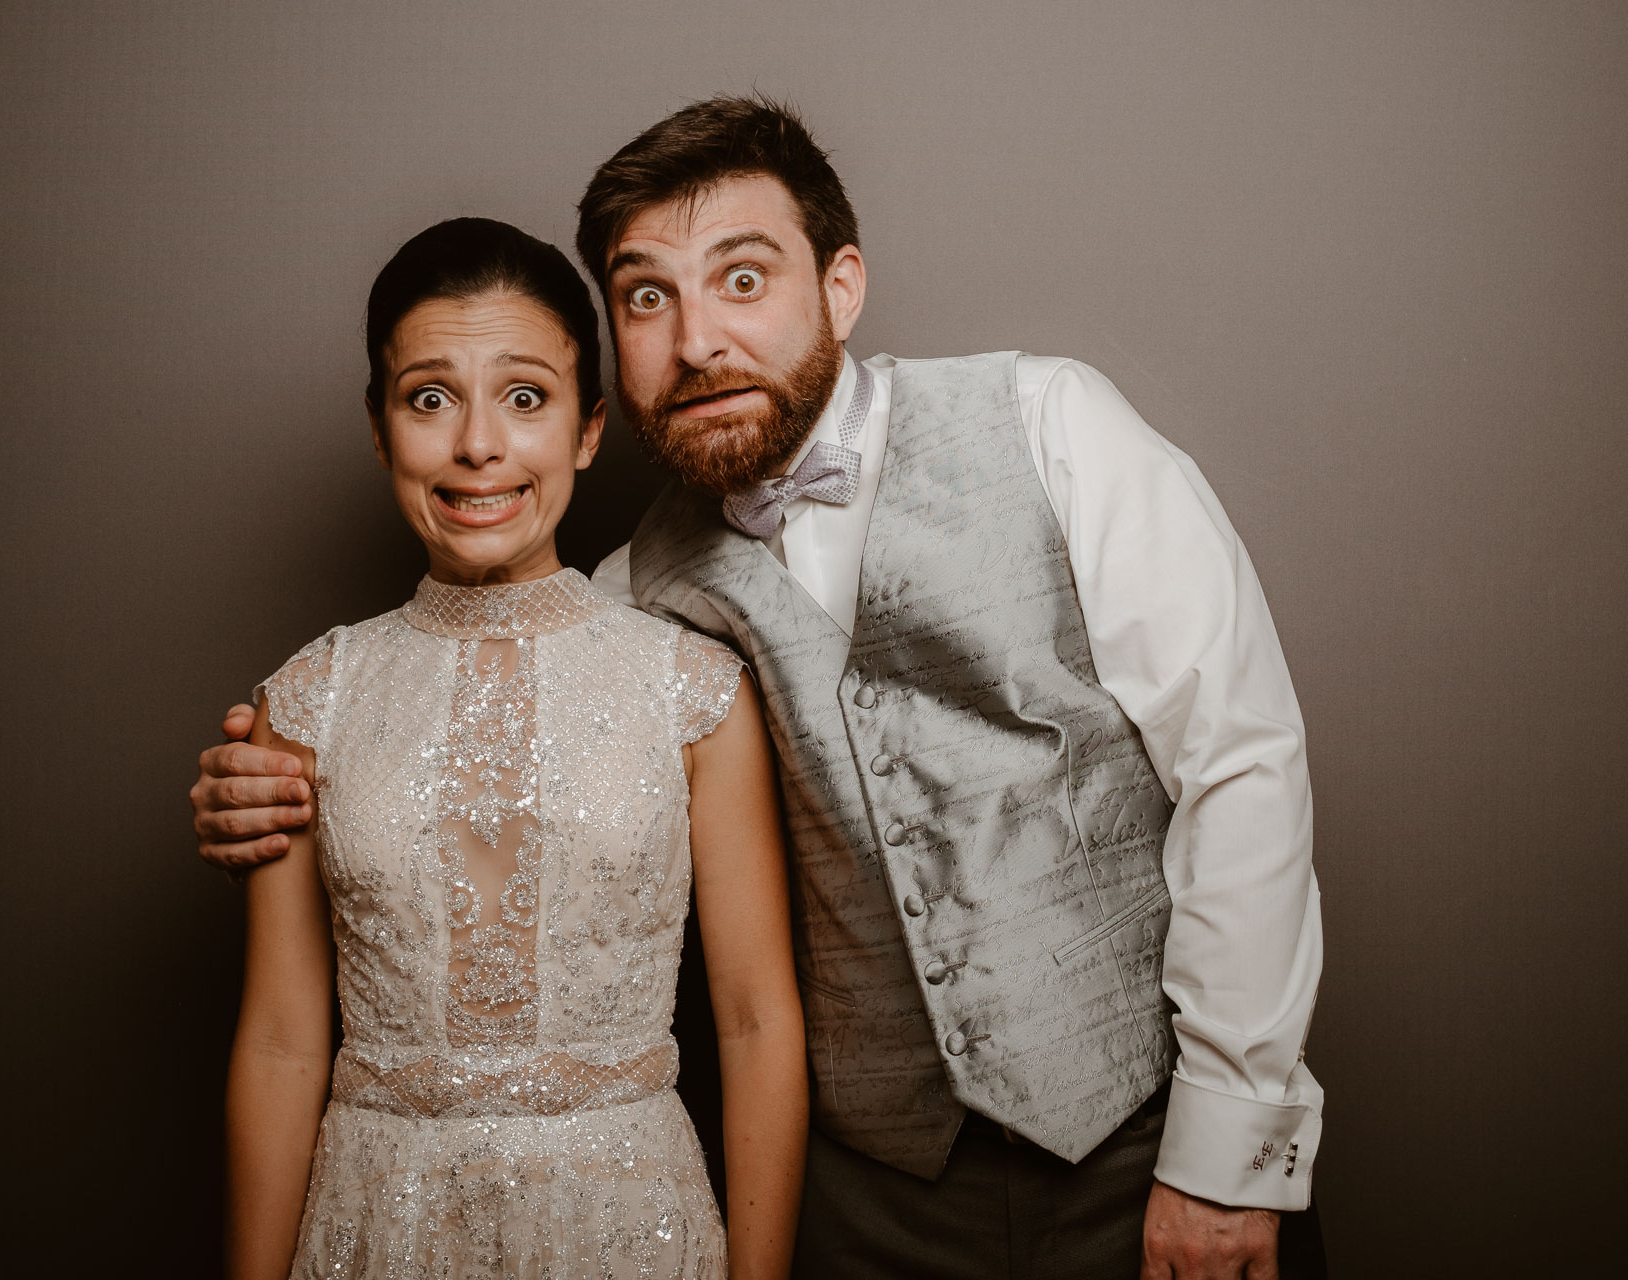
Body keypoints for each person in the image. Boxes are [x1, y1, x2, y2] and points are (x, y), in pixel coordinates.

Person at [200, 98, 1325, 1279]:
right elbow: (472, 736)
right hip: (871, 1202)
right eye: (647, 297)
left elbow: (1239, 761)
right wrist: (254, 782)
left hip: (1146, 1152)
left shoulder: (1052, 423)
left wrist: (1225, 1150)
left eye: (742, 278)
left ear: (840, 286)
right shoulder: (631, 598)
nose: (696, 342)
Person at [222, 216, 806, 1280]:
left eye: (524, 397)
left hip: (629, 1224)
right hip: (375, 1227)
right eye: (430, 398)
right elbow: (277, 1042)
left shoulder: (692, 692)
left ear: (587, 430)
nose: (477, 445)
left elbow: (758, 1019)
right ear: (379, 425)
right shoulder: (308, 698)